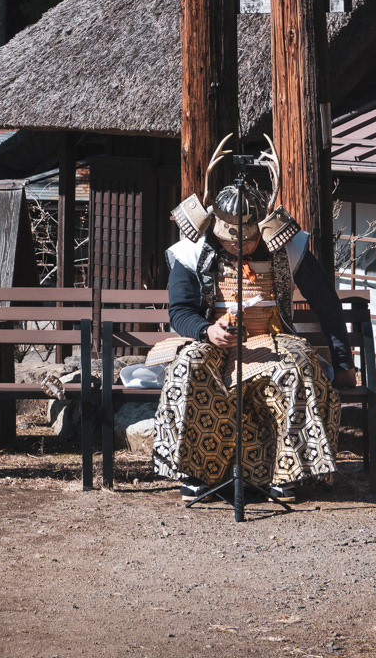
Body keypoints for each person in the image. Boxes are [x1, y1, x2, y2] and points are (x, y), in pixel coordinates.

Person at [150, 141, 357, 504]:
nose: (238, 247)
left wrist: (342, 361)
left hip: (273, 337)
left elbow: (327, 304)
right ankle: (196, 471)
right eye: (230, 241)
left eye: (246, 240)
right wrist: (206, 330)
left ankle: (287, 473)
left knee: (297, 368)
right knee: (187, 368)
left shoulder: (287, 246)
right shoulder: (192, 248)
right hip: (212, 339)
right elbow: (179, 310)